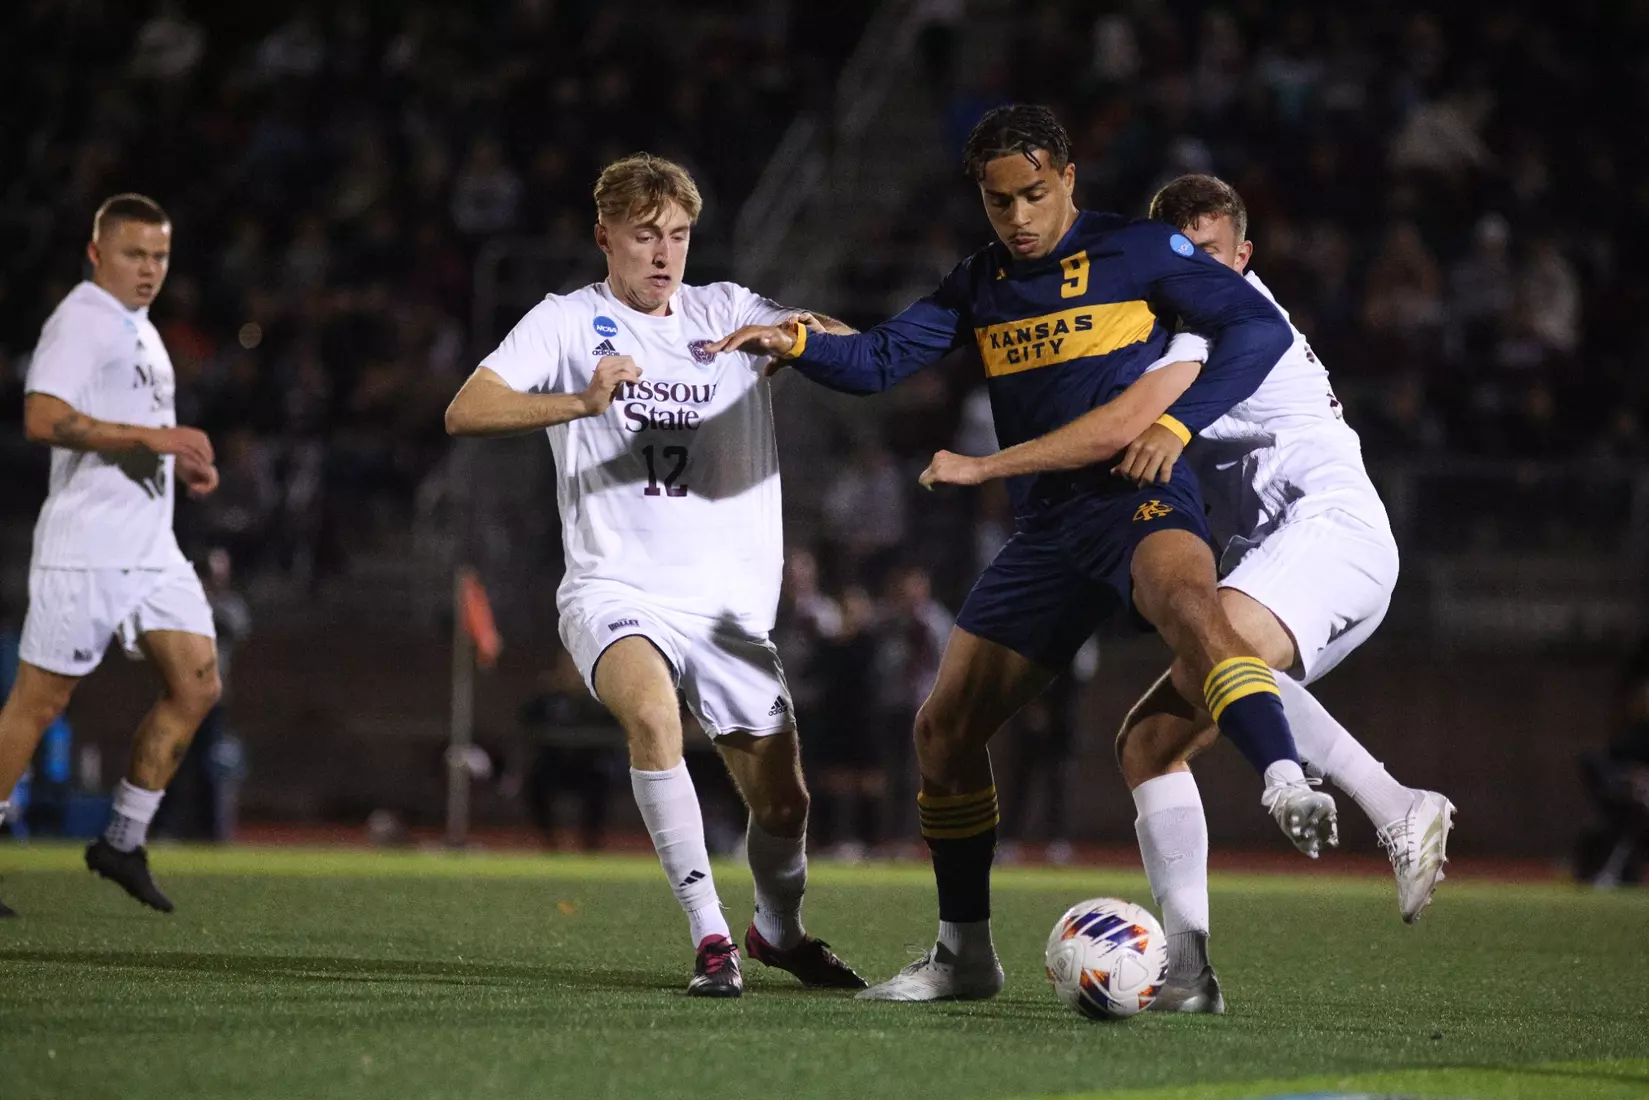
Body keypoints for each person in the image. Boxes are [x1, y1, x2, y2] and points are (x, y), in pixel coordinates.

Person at [711, 104, 1329, 1002]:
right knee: (943, 730)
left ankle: (1281, 778)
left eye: (1033, 195)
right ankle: (964, 955)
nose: (1017, 218)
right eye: (998, 202)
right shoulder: (981, 283)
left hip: (1135, 498)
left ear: (1068, 178)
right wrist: (795, 341)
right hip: (1047, 530)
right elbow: (878, 360)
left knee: (1190, 609)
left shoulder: (1139, 251)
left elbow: (1259, 331)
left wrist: (1174, 424)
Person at [926, 174, 1456, 1012]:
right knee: (1148, 742)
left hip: (1327, 531)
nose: (1195, 270)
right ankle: (1188, 970)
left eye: (1210, 253)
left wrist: (988, 464)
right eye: (1181, 255)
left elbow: (1119, 424)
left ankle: (1396, 805)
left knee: (1215, 645)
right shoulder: (1180, 316)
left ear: (1242, 258)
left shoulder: (1206, 331)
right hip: (1297, 551)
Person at [444, 153, 863, 997]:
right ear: (604, 237)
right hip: (615, 590)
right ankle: (712, 939)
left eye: (677, 234)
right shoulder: (567, 321)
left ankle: (777, 931)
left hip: (727, 615)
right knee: (651, 714)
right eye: (644, 236)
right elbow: (467, 409)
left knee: (784, 805)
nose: (664, 252)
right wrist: (579, 402)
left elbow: (856, 349)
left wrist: (794, 337)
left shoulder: (728, 310)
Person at [0, 194, 222, 916]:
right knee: (40, 703)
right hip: (86, 548)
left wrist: (177, 464)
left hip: (150, 547)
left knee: (197, 686)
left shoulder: (141, 329)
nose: (149, 269)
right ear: (97, 254)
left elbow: (133, 429)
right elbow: (42, 418)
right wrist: (152, 439)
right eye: (134, 254)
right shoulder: (82, 319)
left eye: (160, 256)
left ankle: (122, 841)